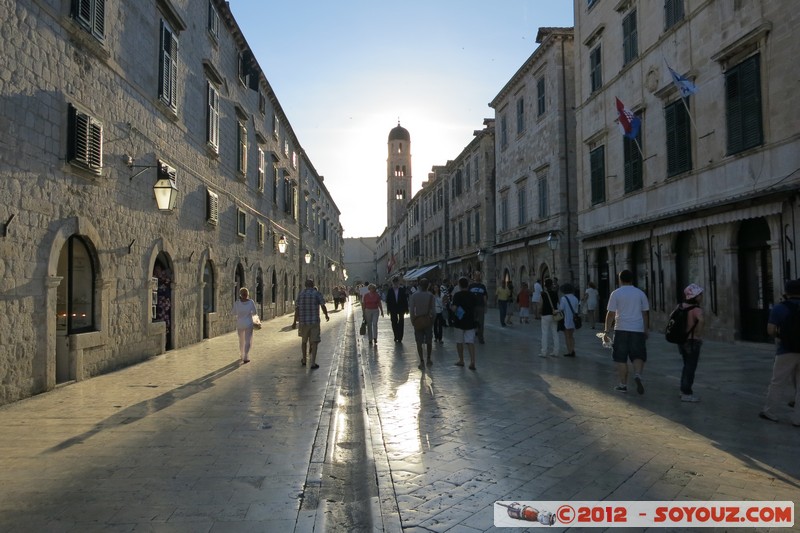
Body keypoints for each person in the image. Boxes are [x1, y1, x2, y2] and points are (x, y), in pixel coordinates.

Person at [759, 279, 800, 426]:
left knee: (777, 382)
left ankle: (770, 412)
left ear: (787, 292)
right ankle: (798, 418)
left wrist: (782, 335)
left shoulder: (779, 308)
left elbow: (770, 330)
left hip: (786, 350)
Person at [603, 270, 650, 394]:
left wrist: (606, 330)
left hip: (621, 329)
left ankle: (623, 385)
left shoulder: (616, 293)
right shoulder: (640, 293)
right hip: (637, 329)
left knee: (621, 358)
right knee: (638, 355)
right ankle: (638, 375)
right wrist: (645, 329)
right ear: (632, 279)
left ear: (620, 279)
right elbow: (645, 313)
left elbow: (611, 313)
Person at [291, 279, 329, 369]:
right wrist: (326, 315)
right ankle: (313, 363)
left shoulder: (301, 294)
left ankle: (304, 359)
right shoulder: (317, 294)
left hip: (303, 322)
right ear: (313, 285)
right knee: (314, 342)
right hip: (314, 322)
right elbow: (323, 305)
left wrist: (294, 322)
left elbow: (297, 309)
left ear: (305, 285)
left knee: (304, 341)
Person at [677, 284, 705, 402]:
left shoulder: (680, 306)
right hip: (692, 341)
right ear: (695, 297)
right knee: (690, 367)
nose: (702, 296)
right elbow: (702, 321)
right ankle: (686, 392)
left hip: (681, 340)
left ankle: (683, 389)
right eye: (700, 295)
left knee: (686, 365)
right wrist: (698, 334)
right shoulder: (696, 309)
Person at [451, 276, 477, 370]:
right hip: (470, 321)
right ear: (468, 285)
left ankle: (461, 360)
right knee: (470, 342)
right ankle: (472, 361)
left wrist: (450, 307)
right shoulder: (472, 295)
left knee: (459, 342)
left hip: (459, 321)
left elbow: (454, 308)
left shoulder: (457, 295)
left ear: (459, 285)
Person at [409, 278, 436, 369]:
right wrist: (432, 321)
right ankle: (428, 358)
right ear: (428, 285)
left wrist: (413, 321)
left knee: (419, 342)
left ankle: (421, 361)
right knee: (429, 341)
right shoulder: (431, 296)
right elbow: (434, 311)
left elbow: (412, 310)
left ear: (419, 285)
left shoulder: (414, 296)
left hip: (418, 320)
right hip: (428, 320)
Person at [232, 287, 258, 364]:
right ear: (247, 294)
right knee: (248, 340)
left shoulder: (237, 303)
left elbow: (233, 313)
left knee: (241, 340)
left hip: (240, 323)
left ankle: (242, 354)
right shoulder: (251, 302)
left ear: (240, 294)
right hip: (248, 323)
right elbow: (255, 312)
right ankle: (246, 356)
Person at [539, 279, 560, 358]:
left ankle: (544, 352)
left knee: (544, 333)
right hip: (554, 315)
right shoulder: (555, 293)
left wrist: (539, 311)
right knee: (555, 333)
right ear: (552, 285)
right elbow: (558, 304)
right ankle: (556, 351)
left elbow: (540, 304)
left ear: (545, 285)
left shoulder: (543, 294)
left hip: (545, 315)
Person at [385, 276, 409, 343]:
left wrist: (406, 309)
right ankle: (396, 335)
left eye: (397, 282)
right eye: (394, 282)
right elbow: (388, 301)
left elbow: (405, 300)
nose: (396, 284)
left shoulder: (402, 290)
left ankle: (400, 337)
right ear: (393, 283)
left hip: (401, 308)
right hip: (393, 309)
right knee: (394, 322)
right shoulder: (390, 290)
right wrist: (388, 310)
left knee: (401, 322)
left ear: (398, 282)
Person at [559, 283, 580, 357]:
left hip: (566, 319)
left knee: (567, 336)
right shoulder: (575, 298)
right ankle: (573, 349)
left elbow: (561, 308)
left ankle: (569, 351)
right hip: (574, 319)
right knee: (571, 335)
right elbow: (577, 309)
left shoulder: (564, 298)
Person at [468, 271, 489, 343]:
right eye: (476, 275)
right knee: (472, 321)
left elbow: (485, 296)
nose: (477, 277)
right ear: (474, 276)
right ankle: (471, 336)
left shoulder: (483, 286)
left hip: (480, 306)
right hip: (472, 307)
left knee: (481, 322)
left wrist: (485, 306)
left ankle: (481, 338)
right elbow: (468, 296)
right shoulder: (470, 286)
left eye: (479, 275)